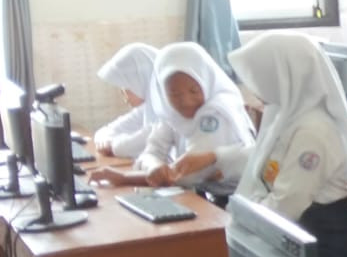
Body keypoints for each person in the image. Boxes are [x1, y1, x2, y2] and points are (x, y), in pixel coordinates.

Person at [168, 33, 347, 257]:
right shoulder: (287, 115)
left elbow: (286, 205)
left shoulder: (314, 132)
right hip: (287, 242)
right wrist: (214, 157)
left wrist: (239, 219)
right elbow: (262, 159)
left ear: (284, 76)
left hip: (321, 256)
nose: (255, 89)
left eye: (260, 78)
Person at [90, 42, 253, 189]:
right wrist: (153, 165)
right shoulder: (170, 112)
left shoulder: (216, 113)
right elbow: (152, 151)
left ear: (206, 81)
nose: (185, 101)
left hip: (226, 200)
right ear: (162, 92)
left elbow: (189, 177)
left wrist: (125, 178)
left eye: (194, 91)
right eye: (174, 94)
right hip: (200, 195)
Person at [93, 43, 158, 159]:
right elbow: (107, 130)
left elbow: (148, 137)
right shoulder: (147, 108)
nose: (123, 95)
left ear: (140, 80)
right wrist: (105, 140)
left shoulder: (168, 110)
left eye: (125, 87)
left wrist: (113, 145)